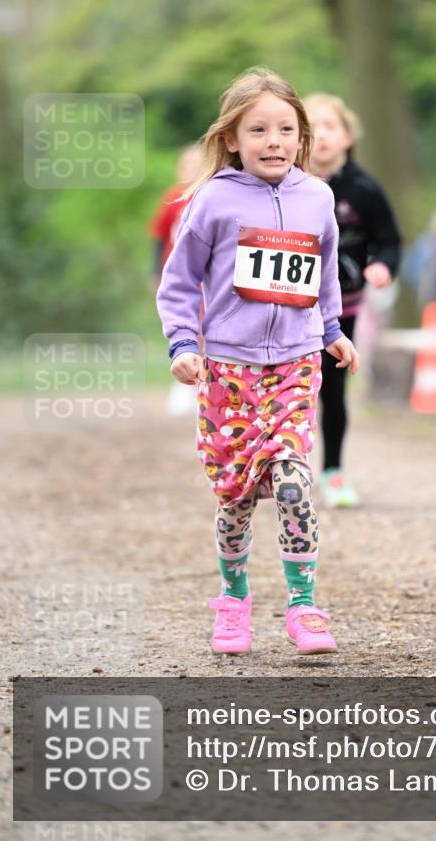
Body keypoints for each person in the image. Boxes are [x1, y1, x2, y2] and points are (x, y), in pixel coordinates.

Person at [157, 68, 359, 656]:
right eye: (259, 130)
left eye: (285, 129)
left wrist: (331, 330)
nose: (273, 141)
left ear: (303, 139)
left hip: (295, 365)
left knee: (294, 482)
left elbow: (322, 274)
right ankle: (233, 600)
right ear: (232, 139)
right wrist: (183, 346)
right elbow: (178, 283)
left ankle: (303, 606)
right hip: (228, 371)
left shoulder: (317, 197)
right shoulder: (213, 200)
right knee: (237, 496)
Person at [303, 94, 401, 509]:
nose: (322, 135)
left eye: (331, 126)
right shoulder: (286, 184)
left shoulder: (364, 189)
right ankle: (274, 469)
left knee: (333, 389)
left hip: (342, 307)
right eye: (313, 126)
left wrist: (381, 266)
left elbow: (390, 240)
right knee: (284, 388)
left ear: (347, 137)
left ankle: (334, 472)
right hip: (288, 306)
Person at [149, 143, 205, 416]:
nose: (192, 171)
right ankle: (183, 382)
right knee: (181, 325)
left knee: (204, 328)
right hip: (177, 276)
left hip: (204, 277)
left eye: (198, 165)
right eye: (187, 165)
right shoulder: (172, 198)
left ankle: (202, 380)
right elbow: (160, 237)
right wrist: (154, 272)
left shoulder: (209, 196)